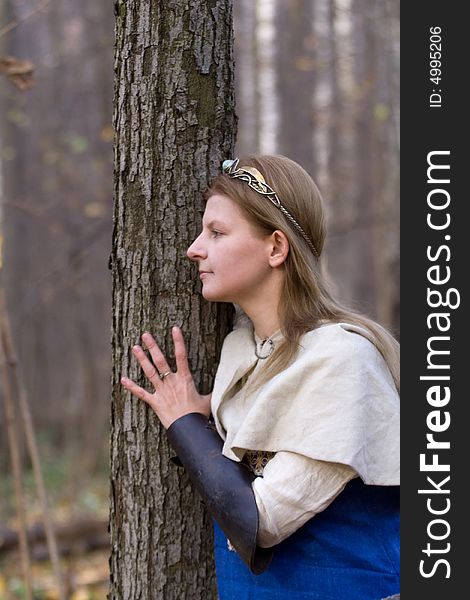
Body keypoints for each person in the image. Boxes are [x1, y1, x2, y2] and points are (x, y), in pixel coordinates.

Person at [120, 155, 400, 600]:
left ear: (275, 248)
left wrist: (186, 425)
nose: (194, 248)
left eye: (217, 232)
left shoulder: (342, 359)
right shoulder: (241, 350)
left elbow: (260, 522)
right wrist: (203, 415)